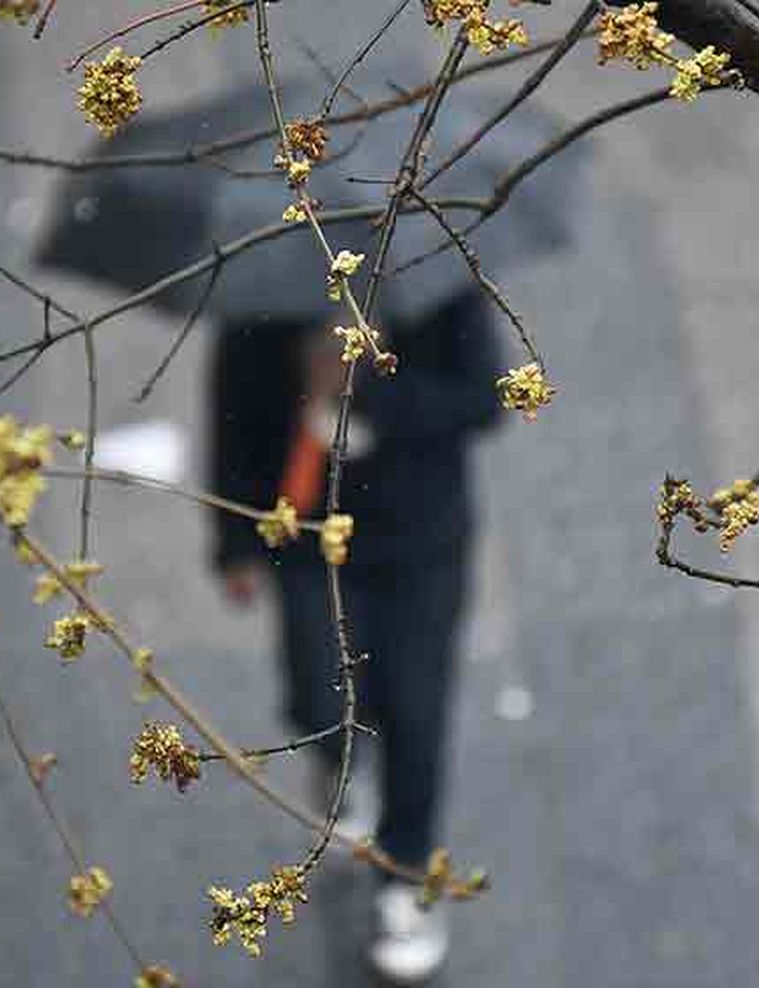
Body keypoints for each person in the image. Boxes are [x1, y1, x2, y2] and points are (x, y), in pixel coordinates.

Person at [210, 288, 503, 982]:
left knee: (416, 714)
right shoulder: (264, 300)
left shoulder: (440, 289)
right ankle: (338, 766)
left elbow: (481, 402)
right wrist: (235, 544)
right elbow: (231, 418)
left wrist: (368, 393)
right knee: (321, 698)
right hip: (311, 540)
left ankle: (407, 880)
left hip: (419, 544)